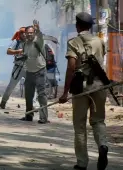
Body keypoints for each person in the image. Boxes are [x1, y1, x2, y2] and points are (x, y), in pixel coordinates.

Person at [59, 12, 108, 170]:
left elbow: (71, 68)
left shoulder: (73, 42)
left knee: (79, 127)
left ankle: (82, 163)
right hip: (99, 86)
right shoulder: (100, 41)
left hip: (81, 89)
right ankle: (103, 145)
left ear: (77, 25)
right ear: (91, 26)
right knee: (98, 121)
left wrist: (65, 92)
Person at [20, 20, 49, 124]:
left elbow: (40, 36)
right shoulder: (24, 44)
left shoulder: (38, 41)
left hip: (40, 71)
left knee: (41, 95)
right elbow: (25, 57)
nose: (29, 34)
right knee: (28, 95)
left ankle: (44, 118)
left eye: (31, 32)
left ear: (34, 33)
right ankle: (29, 115)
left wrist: (38, 30)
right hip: (29, 72)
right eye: (28, 33)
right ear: (25, 34)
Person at [0, 27, 27, 109]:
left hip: (28, 68)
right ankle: (4, 101)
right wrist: (18, 51)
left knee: (31, 87)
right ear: (20, 34)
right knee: (11, 85)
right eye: (22, 33)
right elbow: (8, 51)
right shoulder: (17, 41)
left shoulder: (30, 42)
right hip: (18, 67)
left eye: (25, 33)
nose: (24, 34)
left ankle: (31, 106)